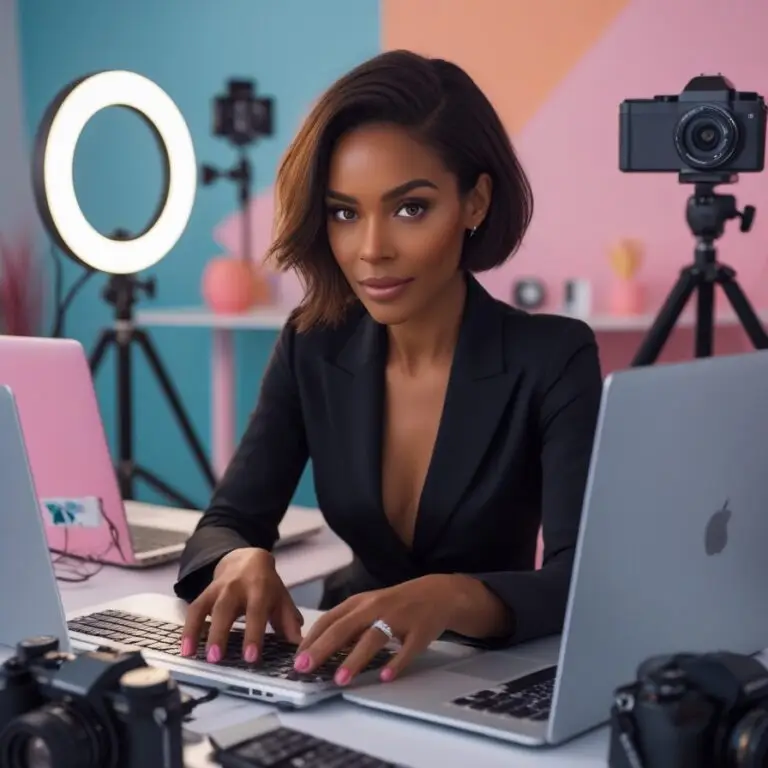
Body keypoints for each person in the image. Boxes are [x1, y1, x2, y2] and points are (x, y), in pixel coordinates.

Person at [174, 49, 602, 688]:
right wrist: (238, 559)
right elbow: (226, 522)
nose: (371, 249)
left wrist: (451, 597)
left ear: (475, 203)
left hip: (487, 677)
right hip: (339, 670)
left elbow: (579, 580)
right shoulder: (312, 344)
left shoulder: (555, 357)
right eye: (345, 212)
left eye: (410, 208)